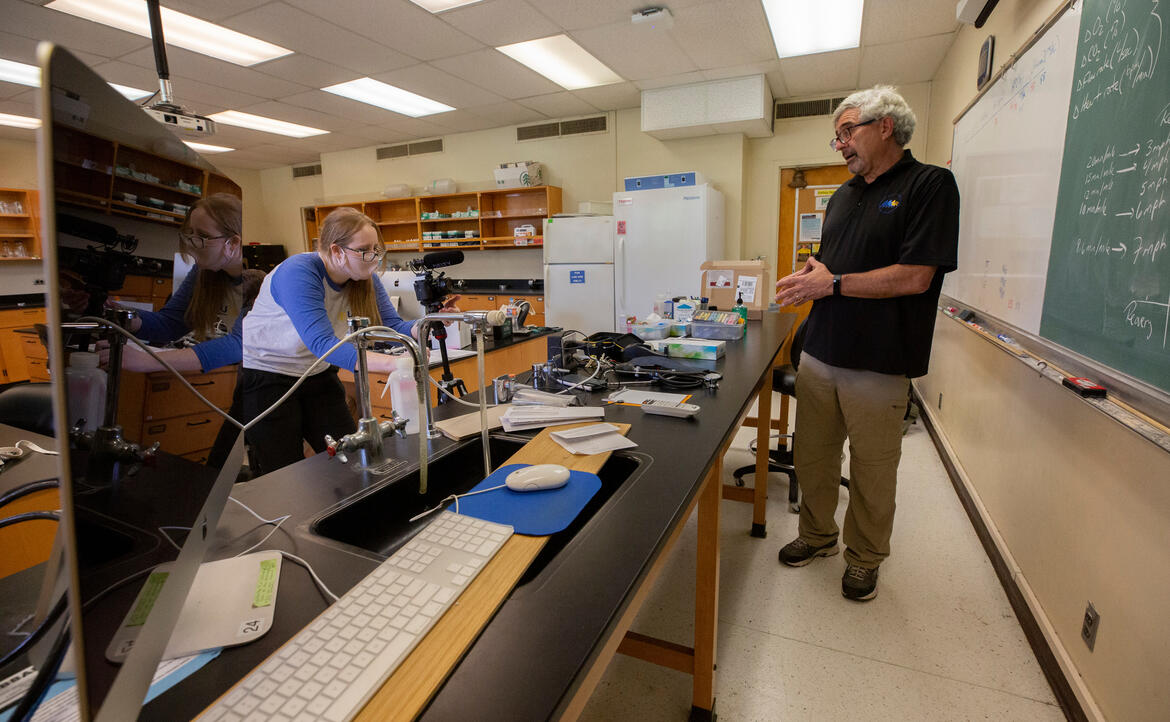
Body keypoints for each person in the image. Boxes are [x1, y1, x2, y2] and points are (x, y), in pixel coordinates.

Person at [773, 85, 959, 601]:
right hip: (821, 351)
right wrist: (808, 277)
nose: (841, 146)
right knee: (813, 456)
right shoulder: (843, 195)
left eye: (847, 132)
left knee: (873, 469)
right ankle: (816, 536)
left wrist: (830, 284)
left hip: (879, 360)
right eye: (836, 138)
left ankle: (864, 557)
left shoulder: (930, 185)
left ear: (885, 127)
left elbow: (916, 276)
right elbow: (832, 265)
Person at [240, 207, 458, 475]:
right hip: (268, 376)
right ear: (336, 251)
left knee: (349, 457)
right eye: (365, 250)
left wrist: (432, 320)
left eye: (377, 249)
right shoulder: (299, 272)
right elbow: (322, 344)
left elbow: (392, 327)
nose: (375, 257)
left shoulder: (364, 278)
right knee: (284, 472)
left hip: (317, 372)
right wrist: (394, 364)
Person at [111, 193, 264, 469]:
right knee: (220, 466)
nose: (192, 244)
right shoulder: (205, 274)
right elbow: (169, 324)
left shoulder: (260, 280)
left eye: (202, 236)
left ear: (233, 243)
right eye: (190, 234)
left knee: (262, 466)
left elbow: (237, 344)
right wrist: (121, 315)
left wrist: (148, 361)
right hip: (249, 383)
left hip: (280, 384)